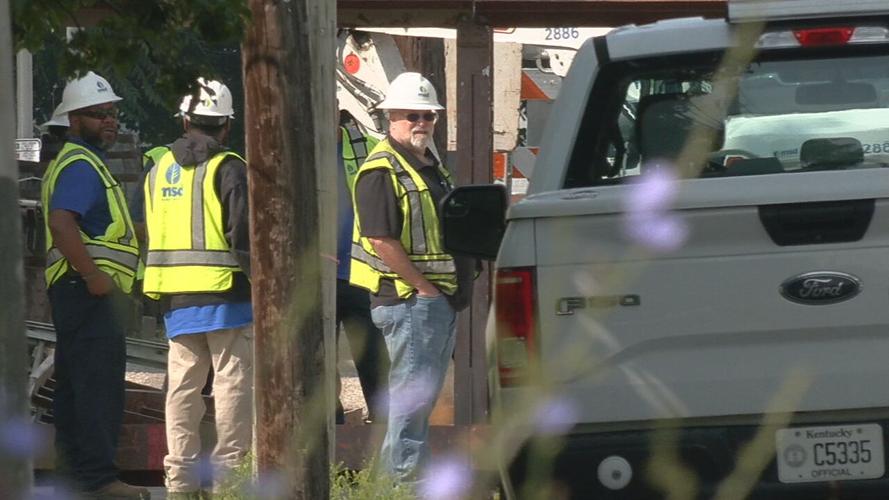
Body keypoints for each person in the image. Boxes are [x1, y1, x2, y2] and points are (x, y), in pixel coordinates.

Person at [350, 72, 474, 481]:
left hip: (435, 300)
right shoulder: (381, 170)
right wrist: (423, 288)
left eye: (428, 115)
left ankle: (405, 480)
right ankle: (402, 483)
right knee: (411, 400)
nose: (421, 122)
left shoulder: (427, 166)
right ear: (391, 119)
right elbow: (380, 238)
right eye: (411, 115)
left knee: (419, 400)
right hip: (408, 300)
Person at [142, 78, 253, 498]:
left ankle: (180, 481)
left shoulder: (158, 169)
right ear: (226, 126)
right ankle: (229, 480)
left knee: (183, 389)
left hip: (176, 296)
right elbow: (242, 233)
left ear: (186, 121)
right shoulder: (229, 167)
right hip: (226, 294)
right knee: (231, 386)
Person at [40, 71, 148, 499]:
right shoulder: (82, 164)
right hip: (87, 294)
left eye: (112, 113)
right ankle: (99, 480)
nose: (109, 120)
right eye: (98, 114)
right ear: (73, 120)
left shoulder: (80, 162)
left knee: (75, 385)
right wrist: (94, 277)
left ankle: (75, 476)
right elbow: (62, 223)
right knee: (97, 388)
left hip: (78, 294)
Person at [335, 113, 390, 424]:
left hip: (361, 274)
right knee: (320, 370)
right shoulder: (294, 150)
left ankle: (383, 432)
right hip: (318, 278)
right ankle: (334, 438)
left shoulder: (367, 147)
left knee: (373, 363)